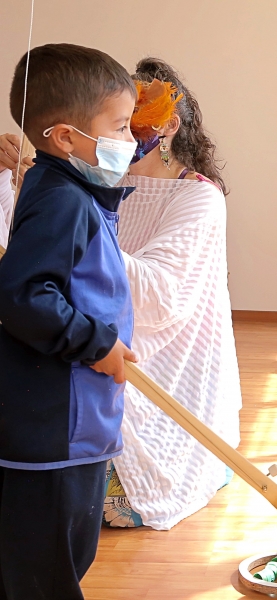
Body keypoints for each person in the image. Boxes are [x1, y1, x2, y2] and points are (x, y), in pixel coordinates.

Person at [0, 58, 242, 531]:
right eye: (117, 121)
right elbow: (24, 254)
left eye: (134, 120)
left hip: (151, 354)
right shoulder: (88, 176)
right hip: (86, 333)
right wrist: (11, 175)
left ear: (168, 124)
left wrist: (83, 243)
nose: (126, 133)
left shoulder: (198, 195)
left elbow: (164, 292)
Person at [0, 44, 137, 600]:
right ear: (63, 137)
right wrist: (96, 342)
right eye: (121, 126)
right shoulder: (63, 200)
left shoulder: (69, 191)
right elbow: (24, 294)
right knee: (47, 569)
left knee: (60, 556)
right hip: (54, 430)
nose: (130, 142)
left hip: (74, 421)